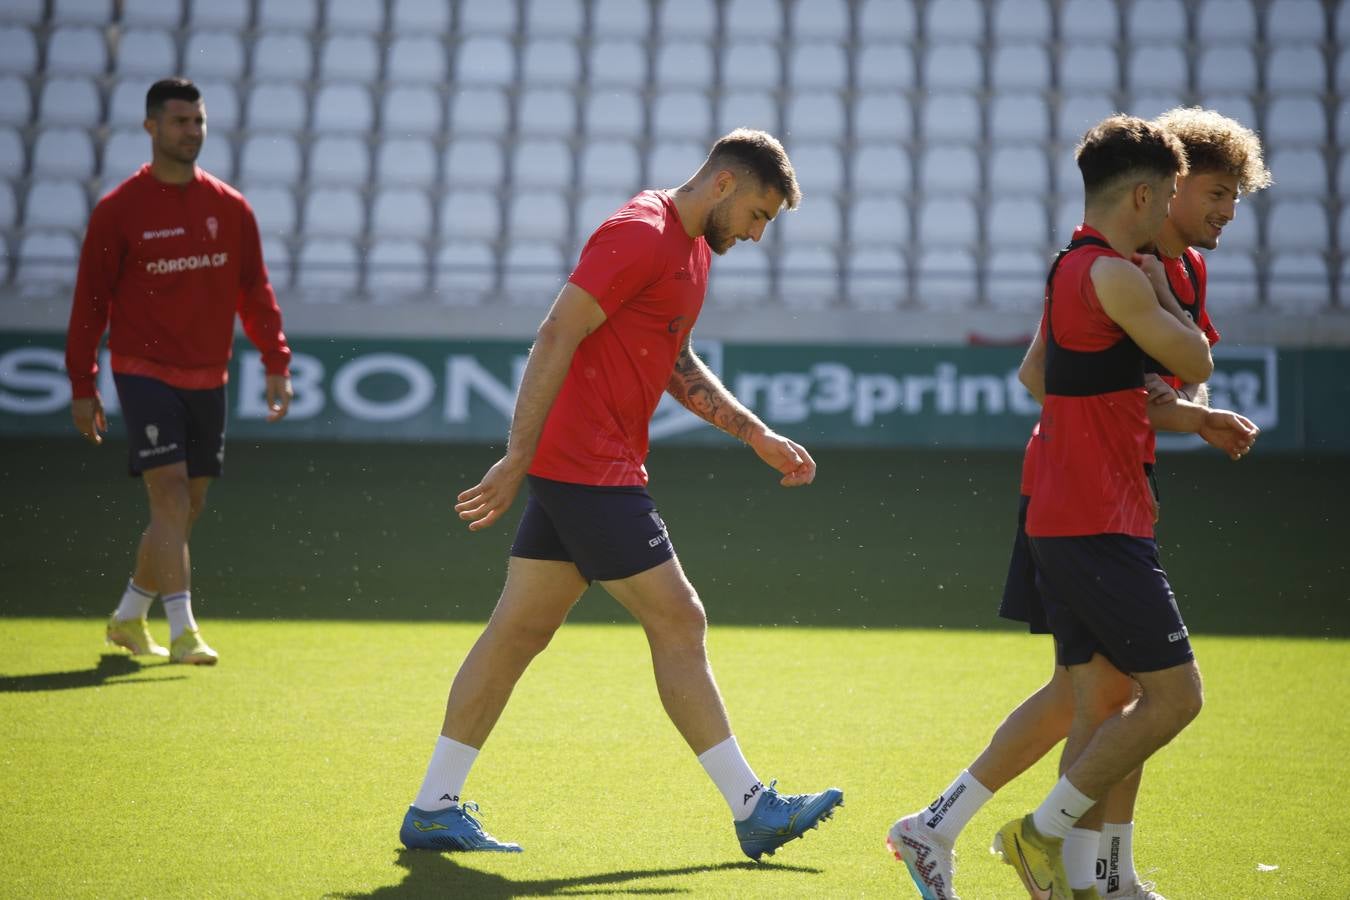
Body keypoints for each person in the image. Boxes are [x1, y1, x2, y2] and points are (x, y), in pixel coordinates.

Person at [399, 129, 843, 858]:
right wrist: (516, 457)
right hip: (587, 467)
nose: (759, 235)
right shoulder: (639, 232)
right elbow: (554, 334)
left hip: (586, 465)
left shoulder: (696, 251)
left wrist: (754, 434)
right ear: (726, 184)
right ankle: (753, 806)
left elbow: (673, 358)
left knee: (518, 632)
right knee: (680, 619)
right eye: (760, 215)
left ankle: (431, 808)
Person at [887, 108, 1270, 900]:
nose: (1228, 210)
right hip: (1080, 494)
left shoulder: (1173, 272)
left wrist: (1177, 404)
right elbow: (1043, 373)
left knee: (1096, 696)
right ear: (1164, 190)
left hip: (1106, 489)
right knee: (1137, 696)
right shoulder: (1111, 268)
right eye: (1218, 192)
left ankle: (1023, 852)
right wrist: (1152, 391)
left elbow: (1177, 377)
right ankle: (1059, 853)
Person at [65, 78, 293, 666]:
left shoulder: (229, 207)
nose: (191, 131)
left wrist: (275, 359)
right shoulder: (119, 212)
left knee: (185, 508)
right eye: (179, 122)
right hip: (143, 370)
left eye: (198, 121)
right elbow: (91, 301)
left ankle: (128, 616)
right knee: (167, 496)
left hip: (208, 376)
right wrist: (83, 382)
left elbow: (254, 290)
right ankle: (184, 629)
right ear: (151, 128)